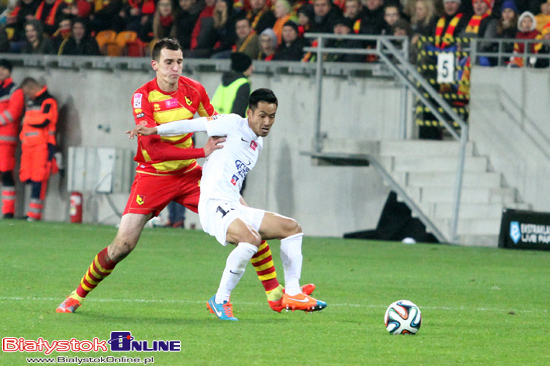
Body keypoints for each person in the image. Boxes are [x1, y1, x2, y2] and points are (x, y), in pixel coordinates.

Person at [56, 38, 308, 314]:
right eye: (168, 63)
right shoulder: (143, 97)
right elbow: (152, 148)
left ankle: (275, 295)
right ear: (155, 65)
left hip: (190, 175)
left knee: (245, 218)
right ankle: (76, 295)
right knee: (123, 245)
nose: (175, 68)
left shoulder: (194, 90)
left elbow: (216, 126)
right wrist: (201, 151)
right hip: (153, 176)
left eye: (179, 62)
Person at [128, 88, 327, 321]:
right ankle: (220, 299)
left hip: (233, 205)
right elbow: (193, 125)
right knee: (251, 239)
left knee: (292, 228)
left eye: (271, 116)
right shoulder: (232, 124)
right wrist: (156, 129)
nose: (267, 122)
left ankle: (293, 292)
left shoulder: (258, 144)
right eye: (262, 115)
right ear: (249, 113)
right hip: (214, 204)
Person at [19, 77, 58, 221]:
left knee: (39, 179)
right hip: (28, 145)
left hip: (43, 145)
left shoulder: (49, 101)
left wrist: (27, 120)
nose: (26, 96)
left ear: (31, 88)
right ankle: (31, 212)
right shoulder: (31, 102)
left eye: (26, 92)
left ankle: (34, 214)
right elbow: (26, 125)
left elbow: (44, 121)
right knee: (26, 177)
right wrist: (22, 136)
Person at [0, 59, 25, 219]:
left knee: (6, 173)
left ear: (9, 71)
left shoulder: (15, 90)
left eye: (3, 69)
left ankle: (8, 211)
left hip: (6, 141)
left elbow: (13, 112)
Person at [211, 52, 253, 117]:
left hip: (215, 123)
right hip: (230, 125)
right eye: (250, 66)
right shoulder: (243, 84)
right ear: (244, 66)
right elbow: (238, 112)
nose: (253, 68)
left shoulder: (225, 82)